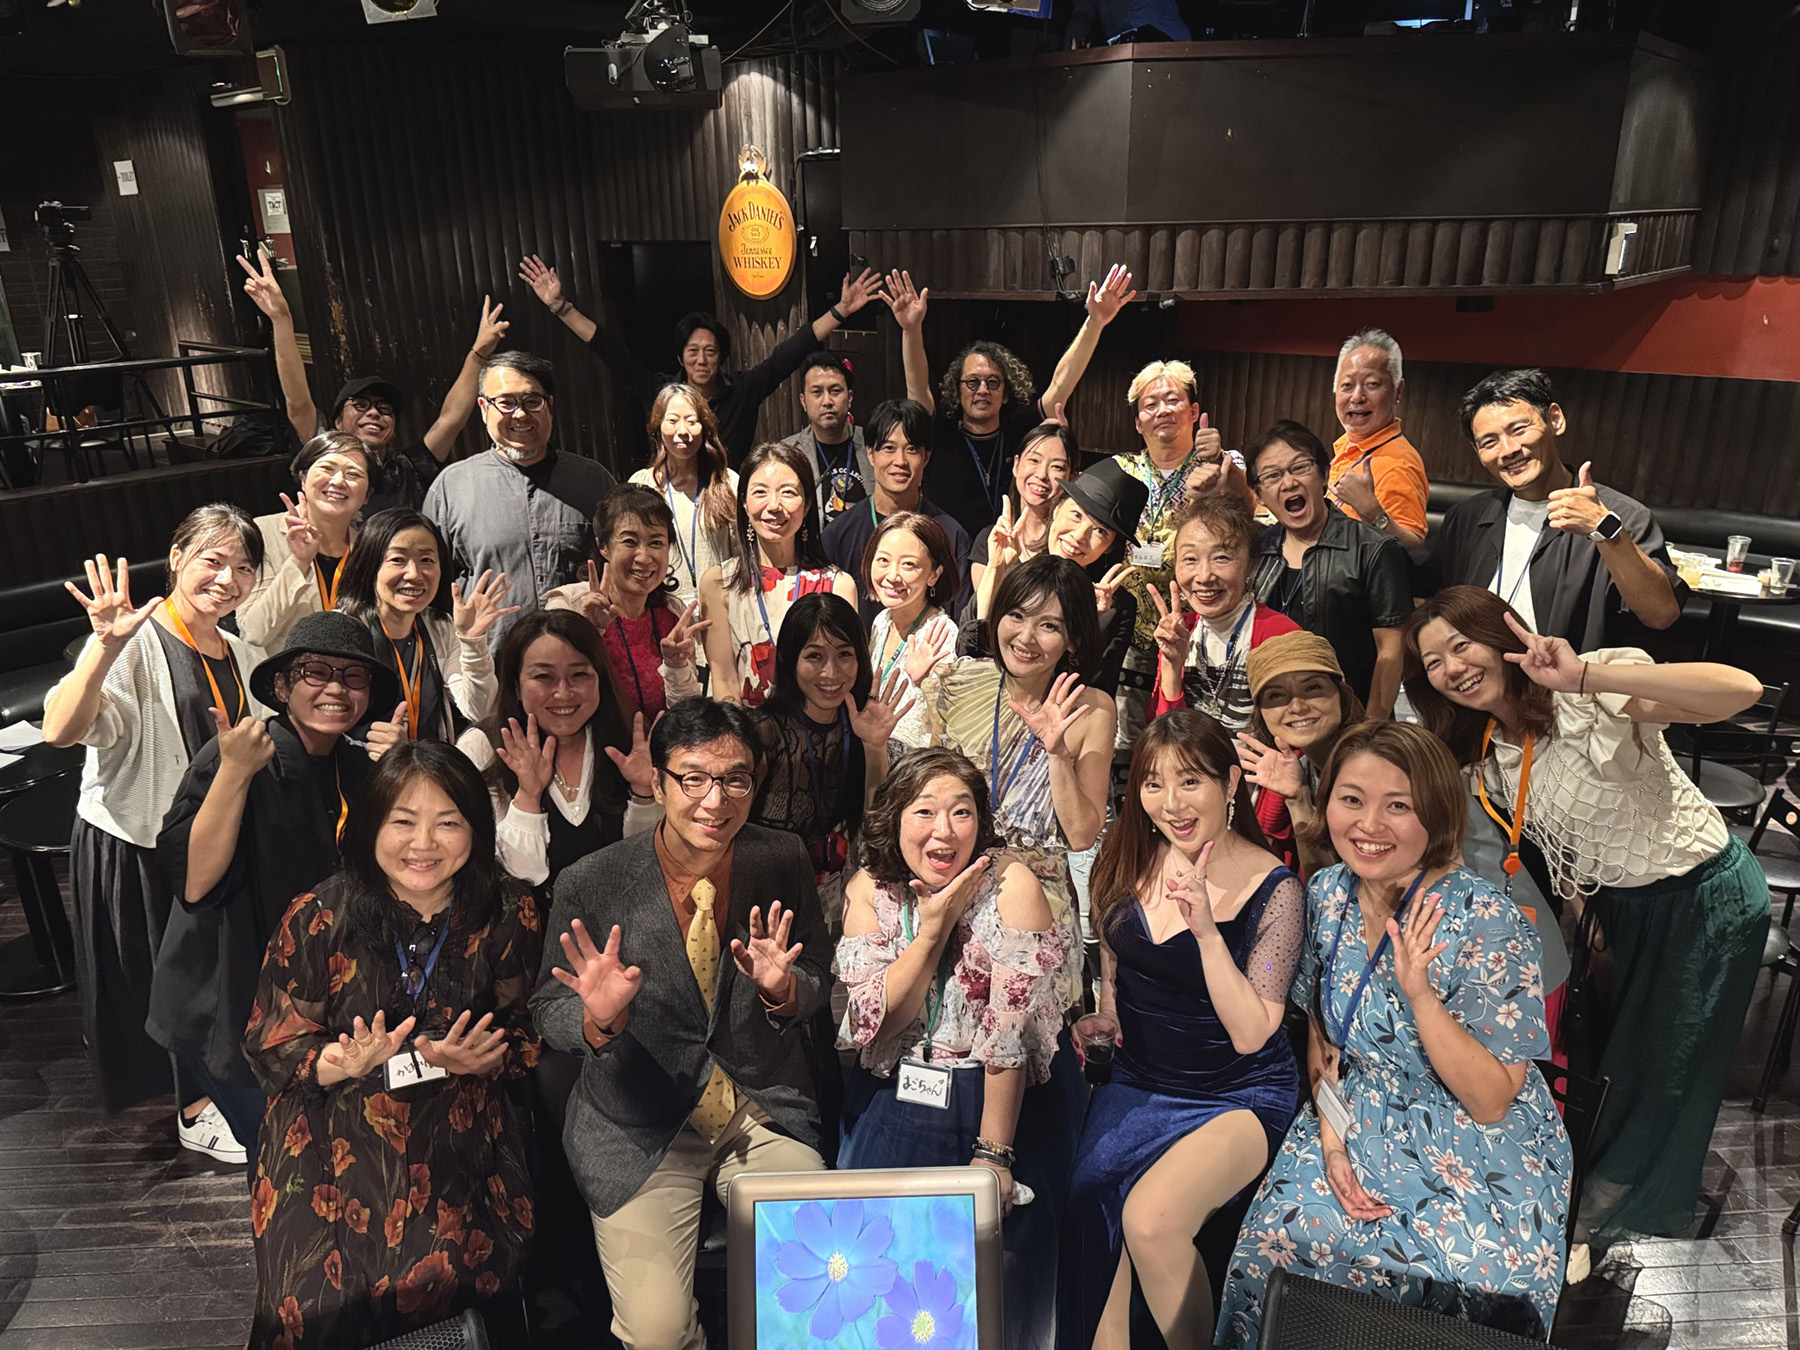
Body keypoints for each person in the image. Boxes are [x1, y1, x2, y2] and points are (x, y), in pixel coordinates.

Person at [1406, 585, 1768, 1253]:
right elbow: (1554, 842)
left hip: (1702, 895)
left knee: (1666, 1062)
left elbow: (1740, 690)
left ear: (1502, 636)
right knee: (1620, 1054)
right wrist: (1584, 905)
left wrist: (1584, 677)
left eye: (1462, 645)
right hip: (1622, 910)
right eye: (1433, 662)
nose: (1452, 668)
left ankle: (1607, 1210)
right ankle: (1595, 1185)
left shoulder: (1587, 690)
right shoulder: (1486, 752)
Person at [1215, 722, 1572, 1347]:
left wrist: (1422, 997)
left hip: (1475, 1136)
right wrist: (1332, 1144)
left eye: (1398, 806)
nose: (1369, 824)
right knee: (1271, 1249)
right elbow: (1324, 1036)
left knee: (1471, 1278)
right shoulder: (1327, 895)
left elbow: (1492, 1101)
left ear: (1437, 813)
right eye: (1351, 799)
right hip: (1359, 1110)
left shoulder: (1487, 919)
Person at [530, 699, 833, 1350]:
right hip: (639, 1124)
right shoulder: (592, 881)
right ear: (659, 782)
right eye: (693, 778)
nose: (715, 801)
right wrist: (598, 1019)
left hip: (757, 1108)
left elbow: (817, 976)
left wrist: (784, 990)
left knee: (821, 1285)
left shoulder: (780, 857)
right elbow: (548, 1009)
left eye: (735, 779)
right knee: (658, 1333)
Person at [242, 741, 541, 1348]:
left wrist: (485, 1057)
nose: (423, 844)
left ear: (476, 829)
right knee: (317, 1305)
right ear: (371, 824)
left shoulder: (510, 911)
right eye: (403, 821)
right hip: (330, 1130)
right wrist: (340, 1061)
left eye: (448, 822)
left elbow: (525, 1033)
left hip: (458, 1126)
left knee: (455, 1285)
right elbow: (270, 1047)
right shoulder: (319, 915)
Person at [1061, 711, 1302, 1350]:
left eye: (1190, 781)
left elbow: (1253, 1032)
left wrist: (1206, 933)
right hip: (1140, 1078)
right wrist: (1107, 1017)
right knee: (1089, 1200)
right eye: (1153, 784)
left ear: (1231, 783)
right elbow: (1115, 968)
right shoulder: (1129, 856)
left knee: (1152, 1220)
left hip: (1238, 1091)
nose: (1171, 803)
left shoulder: (1276, 888)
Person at [43, 509, 267, 1154]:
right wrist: (104, 646)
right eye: (213, 560)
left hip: (211, 842)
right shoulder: (137, 642)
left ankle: (224, 1086)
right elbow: (61, 729)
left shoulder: (242, 652)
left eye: (243, 567)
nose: (227, 579)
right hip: (139, 844)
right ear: (176, 557)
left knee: (212, 975)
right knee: (168, 982)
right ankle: (193, 1111)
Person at [835, 748, 1069, 1350]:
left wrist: (993, 1156)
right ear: (894, 818)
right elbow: (878, 1024)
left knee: (982, 1302)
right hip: (892, 1096)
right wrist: (933, 931)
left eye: (962, 812)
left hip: (991, 1105)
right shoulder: (871, 890)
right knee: (880, 1290)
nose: (945, 831)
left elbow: (1009, 1037)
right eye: (925, 811)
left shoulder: (1011, 885)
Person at [151, 612, 401, 1160]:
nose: (336, 688)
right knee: (277, 1151)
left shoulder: (356, 767)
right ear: (283, 687)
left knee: (318, 1149)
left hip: (308, 1002)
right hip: (229, 1000)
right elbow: (194, 884)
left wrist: (400, 773)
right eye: (316, 671)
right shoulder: (242, 753)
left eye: (354, 676)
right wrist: (234, 773)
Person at [1415, 368, 1683, 651]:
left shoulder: (1620, 515)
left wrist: (1603, 528)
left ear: (1555, 419)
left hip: (1569, 677)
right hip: (1476, 674)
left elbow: (1661, 615)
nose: (1508, 450)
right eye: (1489, 442)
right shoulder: (1468, 516)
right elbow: (1430, 594)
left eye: (1519, 430)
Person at [520, 254, 884, 463]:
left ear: (721, 356)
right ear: (680, 357)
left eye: (710, 351)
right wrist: (561, 307)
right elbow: (611, 352)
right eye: (692, 352)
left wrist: (839, 311)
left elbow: (789, 354)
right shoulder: (662, 393)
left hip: (730, 500)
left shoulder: (743, 391)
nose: (701, 360)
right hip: (675, 500)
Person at [238, 249, 509, 513]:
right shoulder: (323, 456)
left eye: (384, 409)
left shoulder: (409, 470)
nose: (374, 413)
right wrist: (281, 318)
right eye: (360, 405)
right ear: (337, 422)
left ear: (393, 429)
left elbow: (450, 419)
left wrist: (480, 352)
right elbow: (297, 402)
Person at [883, 263, 1136, 541]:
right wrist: (911, 329)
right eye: (972, 382)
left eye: (993, 383)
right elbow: (917, 388)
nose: (983, 390)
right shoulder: (939, 434)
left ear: (1006, 393)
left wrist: (1094, 323)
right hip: (947, 553)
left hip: (1014, 550)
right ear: (958, 390)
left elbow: (1060, 384)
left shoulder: (1023, 433)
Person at [422, 351, 616, 649]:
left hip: (581, 657)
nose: (521, 414)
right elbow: (432, 588)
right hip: (490, 662)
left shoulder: (594, 481)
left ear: (550, 406)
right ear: (483, 408)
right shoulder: (451, 488)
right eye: (506, 402)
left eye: (532, 401)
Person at [456, 608, 658, 892]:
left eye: (579, 674)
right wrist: (528, 796)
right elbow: (517, 879)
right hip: (526, 919)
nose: (563, 693)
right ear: (515, 686)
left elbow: (645, 864)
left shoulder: (630, 739)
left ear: (601, 679)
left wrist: (644, 792)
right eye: (543, 676)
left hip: (618, 914)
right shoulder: (483, 747)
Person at [749, 593, 915, 931]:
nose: (831, 672)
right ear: (790, 659)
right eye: (814, 656)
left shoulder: (859, 723)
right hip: (765, 906)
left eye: (844, 655)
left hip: (835, 902)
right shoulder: (763, 733)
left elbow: (874, 825)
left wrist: (875, 747)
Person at [1111, 359, 1253, 743]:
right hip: (1131, 630)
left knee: (1191, 738)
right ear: (1138, 423)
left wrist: (1223, 471)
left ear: (1193, 411)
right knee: (1128, 743)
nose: (1162, 410)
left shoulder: (1224, 463)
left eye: (1172, 400)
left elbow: (1251, 513)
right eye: (1150, 404)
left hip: (1202, 629)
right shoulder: (1121, 470)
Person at [1245, 420, 1410, 717]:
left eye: (1299, 468)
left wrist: (1370, 727)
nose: (1289, 483)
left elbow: (1391, 649)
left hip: (1349, 718)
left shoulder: (1373, 549)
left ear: (1324, 474)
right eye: (1272, 476)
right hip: (1272, 715)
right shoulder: (1255, 549)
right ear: (1258, 495)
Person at [699, 441, 859, 706]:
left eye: (788, 492)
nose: (774, 505)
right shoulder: (718, 584)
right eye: (760, 492)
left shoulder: (837, 585)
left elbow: (843, 672)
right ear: (744, 503)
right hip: (743, 726)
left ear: (807, 504)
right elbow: (724, 683)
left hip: (817, 725)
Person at [972, 458, 1144, 702]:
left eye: (1100, 531)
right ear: (1056, 510)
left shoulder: (1116, 607)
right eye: (1076, 515)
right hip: (984, 700)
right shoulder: (1014, 571)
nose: (1079, 536)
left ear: (1110, 546)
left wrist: (1089, 623)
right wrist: (995, 570)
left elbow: (1097, 690)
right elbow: (968, 649)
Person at [335, 509, 507, 745]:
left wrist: (472, 641)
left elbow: (479, 709)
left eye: (426, 560)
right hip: (363, 764)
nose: (414, 574)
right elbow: (326, 723)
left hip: (427, 764)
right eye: (398, 560)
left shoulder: (440, 627)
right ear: (370, 565)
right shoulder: (341, 631)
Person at [545, 484, 708, 726]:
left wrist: (676, 666)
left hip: (660, 745)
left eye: (656, 543)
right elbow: (556, 696)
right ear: (603, 546)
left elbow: (687, 714)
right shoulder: (568, 605)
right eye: (630, 541)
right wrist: (589, 633)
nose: (644, 557)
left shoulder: (672, 613)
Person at [1148, 496, 1301, 733]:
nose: (1204, 576)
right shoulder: (1180, 632)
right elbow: (1165, 736)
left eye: (1221, 558)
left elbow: (1299, 730)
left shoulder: (1279, 635)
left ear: (1251, 566)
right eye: (1190, 559)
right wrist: (1171, 665)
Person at [820, 397, 972, 620]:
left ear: (926, 457)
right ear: (870, 454)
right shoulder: (838, 535)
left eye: (911, 449)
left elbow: (962, 617)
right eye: (889, 448)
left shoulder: (950, 534)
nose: (900, 461)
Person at [1230, 631, 1365, 878]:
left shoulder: (1380, 761)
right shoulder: (1299, 768)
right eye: (1276, 695)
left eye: (1312, 688)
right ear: (1260, 712)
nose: (1297, 707)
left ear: (1341, 693)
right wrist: (1296, 799)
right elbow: (1325, 884)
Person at [236, 432, 374, 653]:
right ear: (303, 478)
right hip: (284, 671)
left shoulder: (369, 549)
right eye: (327, 468)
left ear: (367, 495)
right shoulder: (261, 533)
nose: (338, 481)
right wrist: (299, 562)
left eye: (353, 474)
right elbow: (254, 633)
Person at [627, 383, 740, 614]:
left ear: (705, 428)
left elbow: (743, 555)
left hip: (723, 612)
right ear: (658, 427)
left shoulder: (726, 482)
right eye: (672, 420)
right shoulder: (642, 485)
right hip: (663, 613)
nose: (683, 431)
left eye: (691, 421)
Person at [1323, 328, 1431, 552]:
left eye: (1372, 384)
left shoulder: (1398, 464)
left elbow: (1413, 551)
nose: (1357, 397)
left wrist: (1371, 511)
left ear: (1397, 391)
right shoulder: (1349, 445)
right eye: (1347, 385)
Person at [864, 510, 960, 750]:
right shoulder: (882, 620)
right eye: (883, 560)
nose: (892, 576)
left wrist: (923, 683)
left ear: (934, 575)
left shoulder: (941, 632)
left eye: (908, 564)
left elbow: (948, 728)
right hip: (873, 752)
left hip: (914, 762)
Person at [970, 420, 1074, 593]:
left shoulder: (1071, 545)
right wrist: (997, 568)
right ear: (1016, 465)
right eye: (1034, 460)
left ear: (1071, 477)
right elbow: (984, 607)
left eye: (1056, 467)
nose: (1042, 474)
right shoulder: (992, 540)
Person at [778, 351, 872, 526]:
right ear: (803, 401)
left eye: (835, 391)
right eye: (817, 392)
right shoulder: (787, 454)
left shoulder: (873, 444)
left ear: (850, 398)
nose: (827, 401)